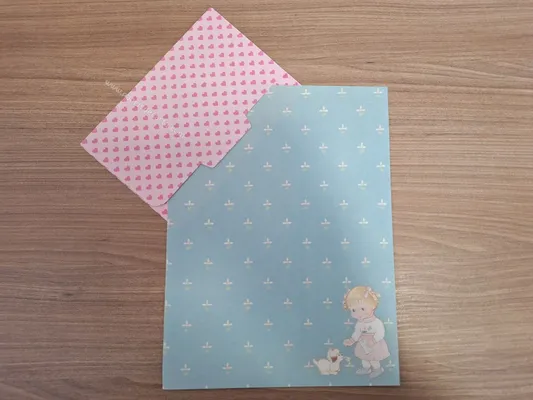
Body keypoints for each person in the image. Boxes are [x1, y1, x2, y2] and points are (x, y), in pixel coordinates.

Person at [343, 286, 390, 379]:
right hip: (363, 344)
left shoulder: (376, 322)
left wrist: (374, 340)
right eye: (353, 310)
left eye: (362, 309)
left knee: (373, 359)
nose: (358, 313)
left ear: (373, 306)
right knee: (364, 358)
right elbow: (357, 333)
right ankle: (366, 368)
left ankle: (377, 369)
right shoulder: (359, 323)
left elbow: (381, 333)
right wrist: (352, 340)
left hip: (374, 344)